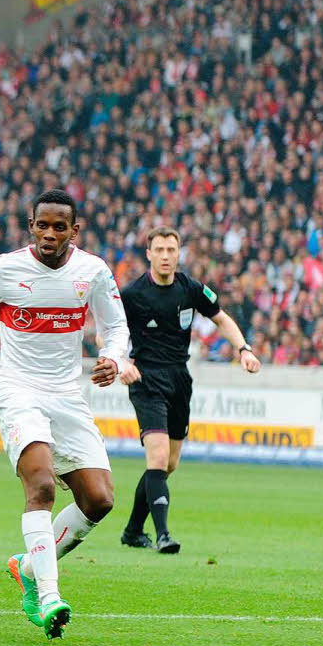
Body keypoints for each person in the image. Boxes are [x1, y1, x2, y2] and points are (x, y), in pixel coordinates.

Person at [0, 189, 128, 640]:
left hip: (67, 395)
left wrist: (113, 358)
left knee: (99, 500)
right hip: (17, 389)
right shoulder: (5, 268)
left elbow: (115, 326)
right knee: (40, 485)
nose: (50, 234)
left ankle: (28, 567)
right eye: (43, 225)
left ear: (74, 231)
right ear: (31, 226)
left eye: (61, 227)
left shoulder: (92, 272)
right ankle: (50, 594)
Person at [118, 226, 260, 553]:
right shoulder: (133, 294)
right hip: (146, 378)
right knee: (156, 457)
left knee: (167, 464)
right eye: (160, 250)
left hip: (179, 379)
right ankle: (163, 534)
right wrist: (120, 362)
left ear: (178, 253)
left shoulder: (190, 288)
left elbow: (221, 319)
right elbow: (108, 330)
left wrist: (243, 349)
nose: (166, 255)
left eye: (171, 249)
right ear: (149, 254)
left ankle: (132, 530)